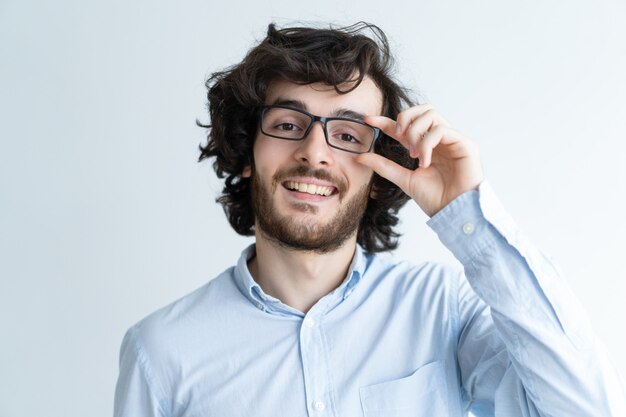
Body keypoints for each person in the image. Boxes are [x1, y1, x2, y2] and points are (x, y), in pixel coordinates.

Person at [113, 22, 625, 416]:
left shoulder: (444, 309)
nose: (315, 154)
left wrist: (466, 210)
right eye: (288, 124)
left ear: (381, 172)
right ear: (248, 152)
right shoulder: (159, 352)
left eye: (349, 134)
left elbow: (584, 407)